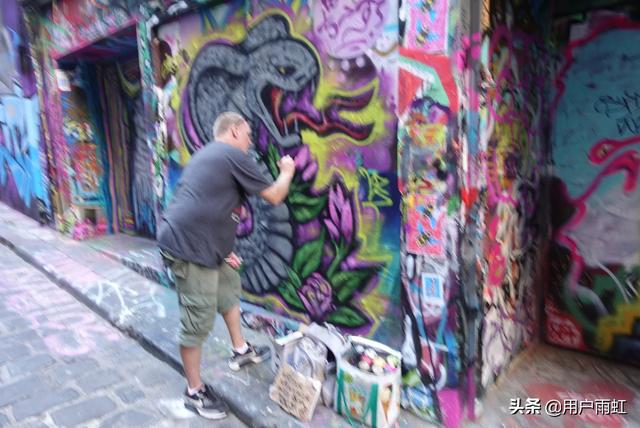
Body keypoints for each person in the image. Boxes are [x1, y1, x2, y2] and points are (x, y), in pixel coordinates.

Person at [157, 111, 295, 419]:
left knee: (229, 285)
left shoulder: (208, 155)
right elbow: (274, 195)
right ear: (233, 131)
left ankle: (240, 350)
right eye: (247, 135)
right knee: (198, 319)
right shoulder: (231, 154)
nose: (249, 142)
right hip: (189, 247)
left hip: (202, 243)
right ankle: (194, 391)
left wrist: (223, 250)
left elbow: (208, 205)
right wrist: (286, 171)